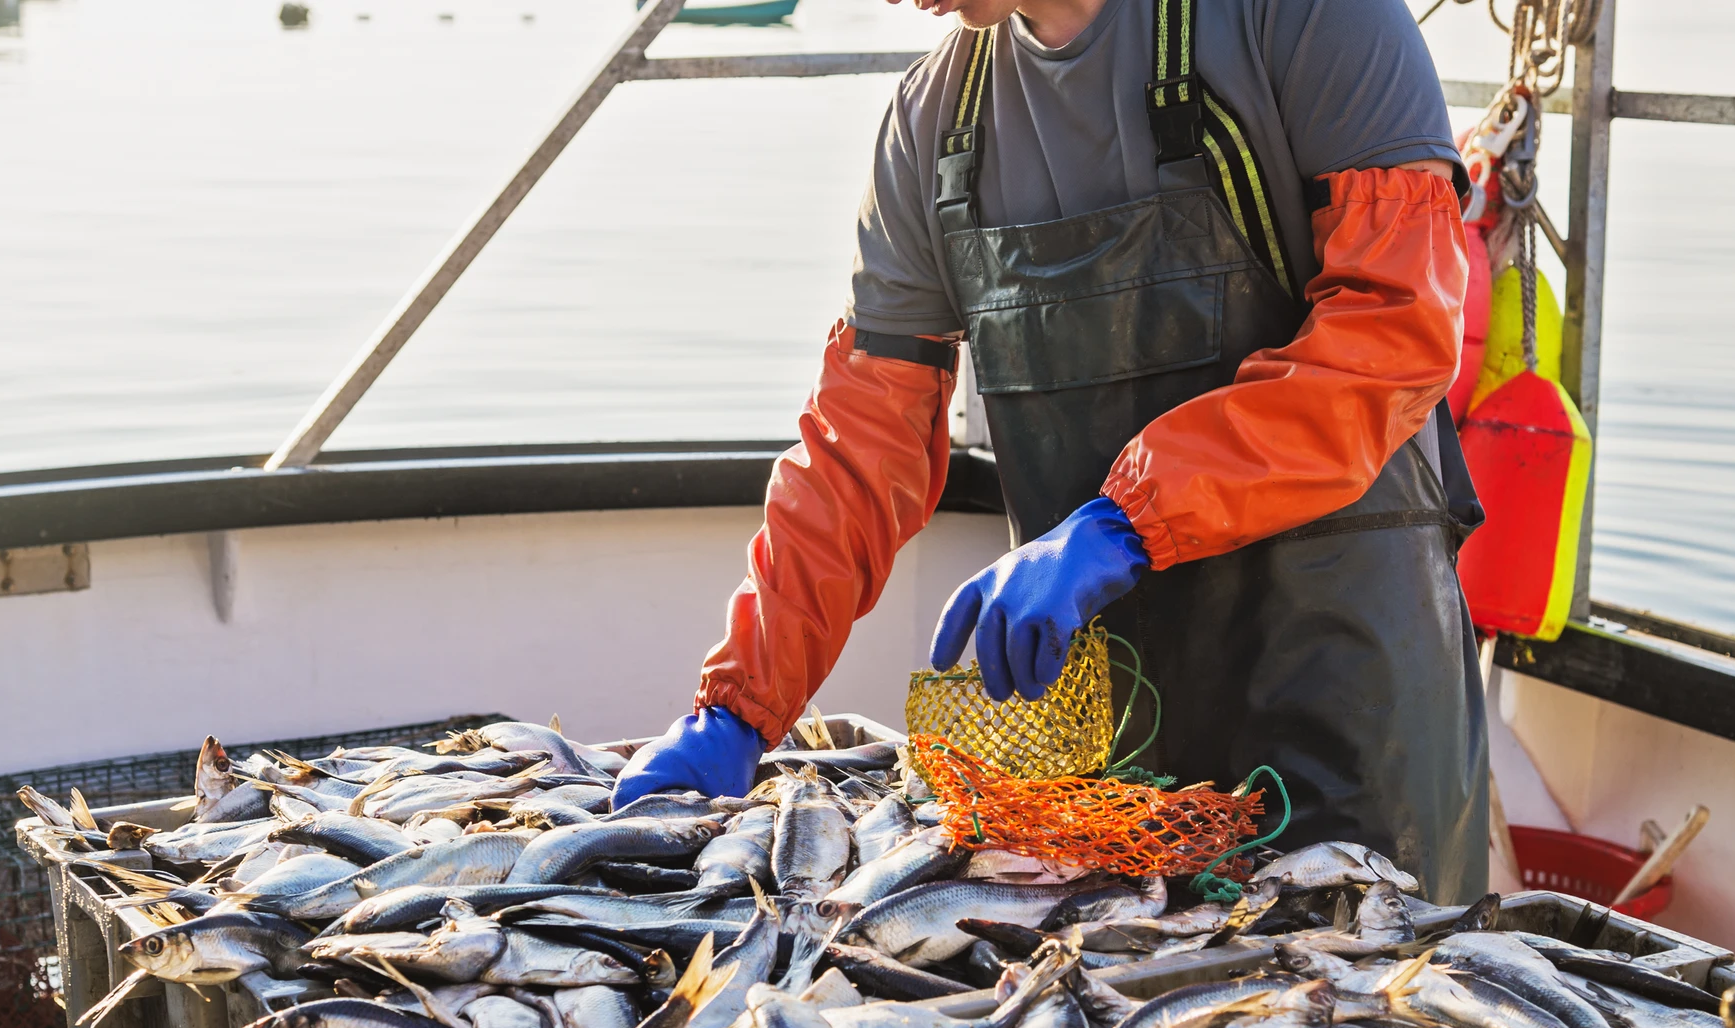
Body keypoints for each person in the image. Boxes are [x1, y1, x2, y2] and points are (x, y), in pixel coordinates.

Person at [614, 0, 1489, 903]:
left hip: (1347, 692)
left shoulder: (1310, 19)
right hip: (1107, 737)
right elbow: (859, 446)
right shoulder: (933, 121)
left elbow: (1396, 333)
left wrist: (1128, 520)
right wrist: (740, 707)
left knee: (1362, 972)